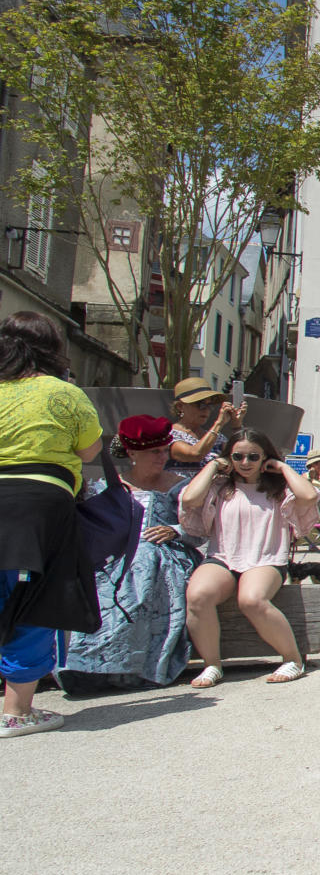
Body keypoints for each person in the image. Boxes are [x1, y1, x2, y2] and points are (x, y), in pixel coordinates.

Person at [0, 311, 103, 737]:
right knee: (32, 596)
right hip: (40, 504)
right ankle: (16, 710)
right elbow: (90, 449)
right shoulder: (64, 394)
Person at [59, 415, 203, 692]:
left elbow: (202, 530)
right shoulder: (105, 486)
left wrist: (175, 530)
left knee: (143, 562)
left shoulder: (181, 486)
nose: (162, 457)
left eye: (164, 450)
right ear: (133, 453)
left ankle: (133, 668)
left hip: (164, 556)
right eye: (154, 452)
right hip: (113, 556)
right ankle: (85, 667)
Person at [179, 430, 320, 687]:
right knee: (197, 596)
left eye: (253, 456)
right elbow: (189, 499)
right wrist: (213, 465)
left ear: (264, 457)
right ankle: (212, 664)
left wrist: (280, 466)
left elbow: (310, 496)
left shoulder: (279, 489)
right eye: (238, 456)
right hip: (223, 557)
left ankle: (292, 659)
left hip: (266, 559)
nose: (245, 462)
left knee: (251, 599)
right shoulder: (220, 486)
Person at [166, 377, 241, 476]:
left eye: (209, 405)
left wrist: (237, 425)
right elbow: (195, 454)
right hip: (183, 490)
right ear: (180, 406)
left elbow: (241, 458)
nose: (206, 410)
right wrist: (219, 423)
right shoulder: (168, 435)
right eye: (200, 404)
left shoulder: (217, 437)